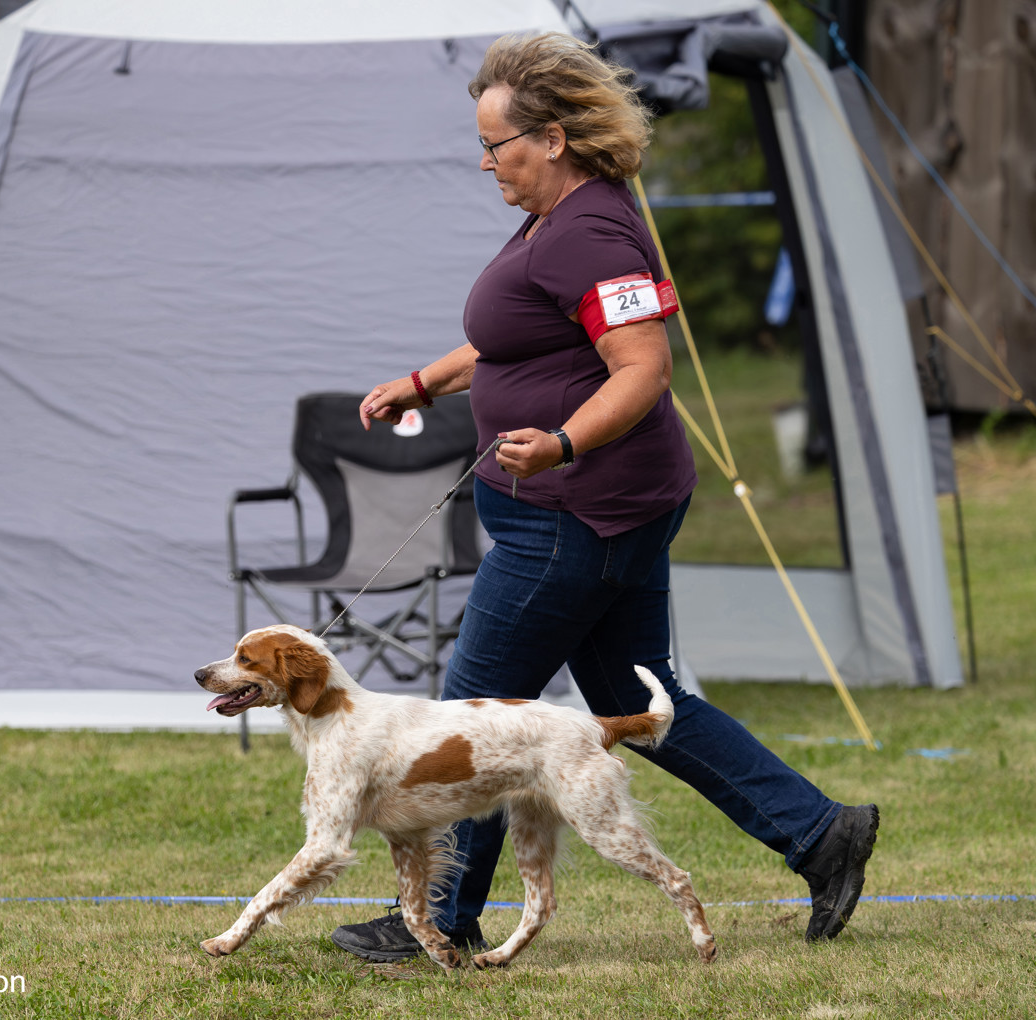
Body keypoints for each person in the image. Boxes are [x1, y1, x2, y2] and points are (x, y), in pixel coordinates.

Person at [331, 32, 878, 963]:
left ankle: (440, 921)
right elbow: (514, 338)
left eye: (496, 145)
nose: (486, 162)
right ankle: (821, 833)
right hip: (598, 514)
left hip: (572, 516)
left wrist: (562, 443)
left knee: (476, 722)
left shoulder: (588, 230)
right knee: (638, 698)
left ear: (551, 138)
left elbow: (643, 370)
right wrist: (423, 383)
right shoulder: (564, 216)